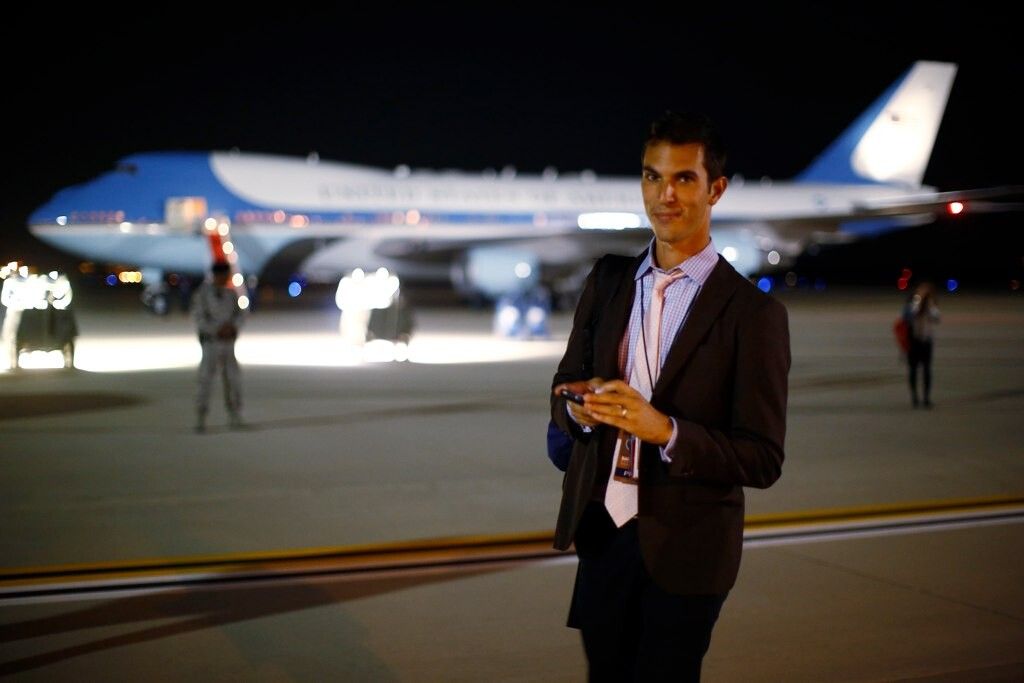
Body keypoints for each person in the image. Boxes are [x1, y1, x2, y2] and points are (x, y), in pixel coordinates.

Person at [550, 110, 791, 682]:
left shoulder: (752, 314)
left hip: (687, 550)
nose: (665, 195)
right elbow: (559, 394)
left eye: (684, 178)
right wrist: (578, 411)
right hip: (603, 532)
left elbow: (762, 458)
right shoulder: (607, 284)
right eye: (652, 177)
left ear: (717, 189)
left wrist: (665, 431)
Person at [190, 261, 246, 432]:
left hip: (228, 343)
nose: (226, 278)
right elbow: (199, 318)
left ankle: (234, 414)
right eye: (224, 275)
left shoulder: (231, 294)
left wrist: (233, 327)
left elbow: (239, 315)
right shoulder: (203, 295)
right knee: (205, 379)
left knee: (233, 380)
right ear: (216, 275)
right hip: (211, 343)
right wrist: (216, 330)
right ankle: (201, 416)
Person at [903, 282, 940, 408]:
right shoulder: (913, 302)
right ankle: (914, 397)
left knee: (927, 370)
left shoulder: (931, 305)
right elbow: (908, 317)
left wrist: (929, 305)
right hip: (914, 341)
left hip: (926, 341)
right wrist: (918, 303)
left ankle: (926, 398)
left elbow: (937, 318)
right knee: (913, 370)